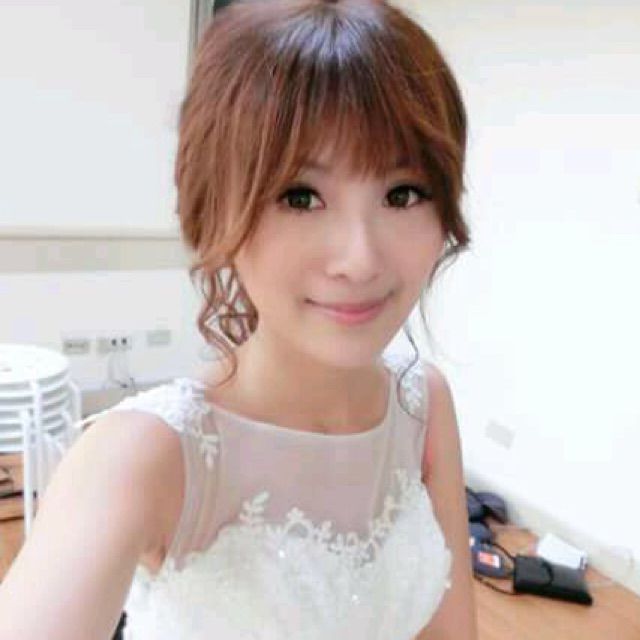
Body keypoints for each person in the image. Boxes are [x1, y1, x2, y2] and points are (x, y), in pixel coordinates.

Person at [0, 0, 478, 638]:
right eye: (300, 196)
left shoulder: (424, 407)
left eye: (403, 193)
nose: (360, 259)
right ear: (216, 211)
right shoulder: (143, 454)